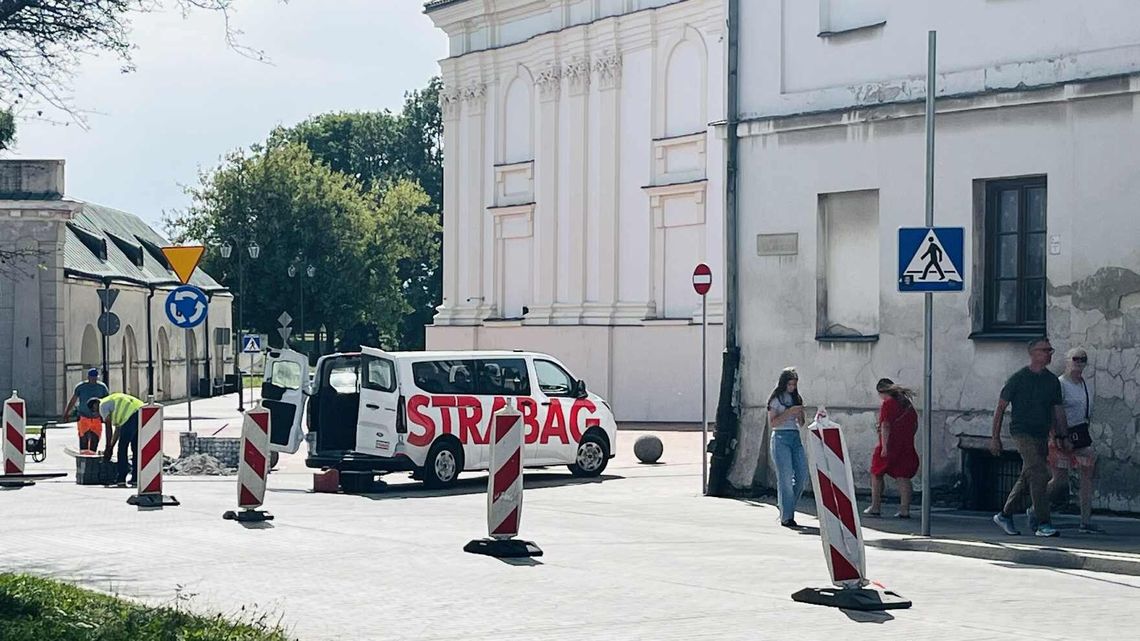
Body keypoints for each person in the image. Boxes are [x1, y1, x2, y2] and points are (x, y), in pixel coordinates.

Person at [991, 337, 1067, 538]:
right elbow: (1000, 408)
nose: (1049, 354)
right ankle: (1043, 523)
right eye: (1045, 350)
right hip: (1021, 432)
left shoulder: (1052, 381)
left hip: (1041, 434)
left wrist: (1061, 435)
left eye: (1051, 350)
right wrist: (995, 437)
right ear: (1033, 353)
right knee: (1040, 473)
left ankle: (1005, 514)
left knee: (1028, 476)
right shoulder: (1018, 378)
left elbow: (1057, 410)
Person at [1048, 347, 1103, 534]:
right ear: (1067, 360)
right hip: (1062, 435)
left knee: (1088, 470)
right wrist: (1057, 436)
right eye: (1076, 359)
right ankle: (1036, 508)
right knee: (1060, 481)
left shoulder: (1084, 385)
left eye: (1083, 359)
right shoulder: (1060, 384)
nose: (1079, 362)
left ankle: (1085, 521)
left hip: (1079, 434)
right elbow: (1053, 411)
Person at [864, 378, 920, 519]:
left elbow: (885, 425)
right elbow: (915, 425)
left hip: (890, 444)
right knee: (903, 476)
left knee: (876, 473)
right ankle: (904, 510)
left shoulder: (888, 404)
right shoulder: (907, 405)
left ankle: (875, 506)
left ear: (882, 392)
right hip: (906, 444)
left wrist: (884, 446)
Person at [768, 367, 808, 528]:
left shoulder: (796, 398)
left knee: (802, 475)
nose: (792, 387)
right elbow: (773, 423)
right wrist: (788, 412)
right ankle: (787, 516)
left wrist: (799, 414)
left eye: (794, 384)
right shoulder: (776, 400)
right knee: (785, 477)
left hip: (795, 437)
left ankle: (786, 505)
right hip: (780, 437)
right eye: (789, 384)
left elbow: (802, 423)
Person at [88, 392, 145, 487]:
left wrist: (107, 448)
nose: (97, 414)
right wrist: (111, 447)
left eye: (94, 411)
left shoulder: (102, 405)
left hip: (131, 416)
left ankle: (121, 478)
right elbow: (118, 430)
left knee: (122, 448)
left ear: (95, 405)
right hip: (142, 412)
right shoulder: (112, 402)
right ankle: (135, 478)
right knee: (135, 447)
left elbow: (108, 428)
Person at [61, 368, 109, 454]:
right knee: (83, 439)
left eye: (95, 377)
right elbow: (73, 400)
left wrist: (106, 415)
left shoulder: (102, 387)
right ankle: (84, 459)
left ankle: (92, 458)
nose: (93, 379)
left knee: (95, 439)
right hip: (83, 417)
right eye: (92, 377)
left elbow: (106, 401)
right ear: (88, 377)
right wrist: (66, 413)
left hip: (96, 418)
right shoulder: (81, 387)